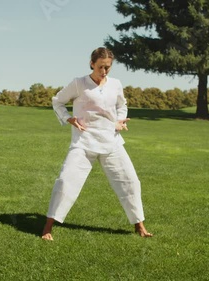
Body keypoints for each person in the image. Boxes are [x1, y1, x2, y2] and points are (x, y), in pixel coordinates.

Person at [41, 47, 153, 241]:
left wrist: (120, 120)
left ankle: (140, 226)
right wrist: (68, 118)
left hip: (111, 141)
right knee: (66, 181)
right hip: (84, 142)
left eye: (108, 67)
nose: (104, 71)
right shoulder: (78, 84)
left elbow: (122, 105)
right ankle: (47, 228)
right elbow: (57, 101)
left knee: (130, 182)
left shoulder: (116, 84)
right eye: (101, 67)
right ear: (92, 64)